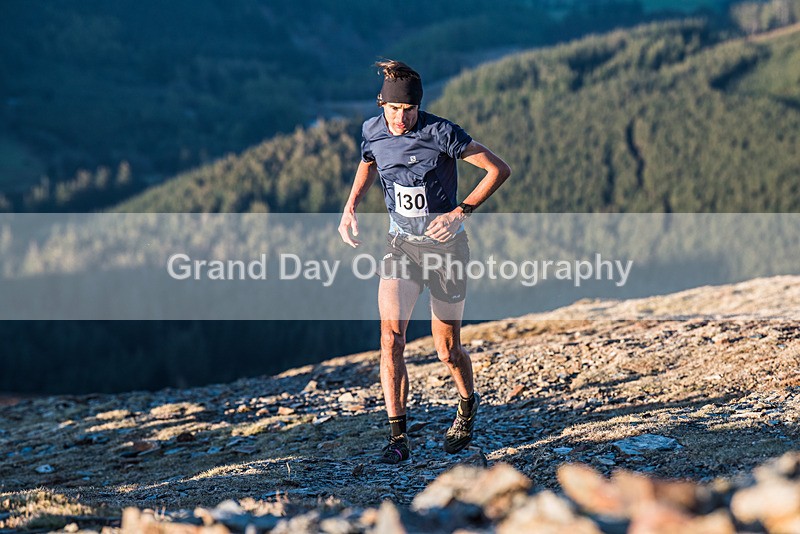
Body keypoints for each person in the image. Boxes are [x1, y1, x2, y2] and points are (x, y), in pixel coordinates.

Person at [338, 60, 511, 464]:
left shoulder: (441, 132)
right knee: (390, 339)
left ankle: (467, 404)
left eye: (409, 111)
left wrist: (459, 213)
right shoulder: (372, 130)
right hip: (401, 246)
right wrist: (350, 208)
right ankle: (398, 437)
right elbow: (368, 163)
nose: (401, 119)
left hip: (448, 251)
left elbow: (497, 169)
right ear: (382, 104)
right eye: (394, 110)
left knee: (447, 350)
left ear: (419, 107)